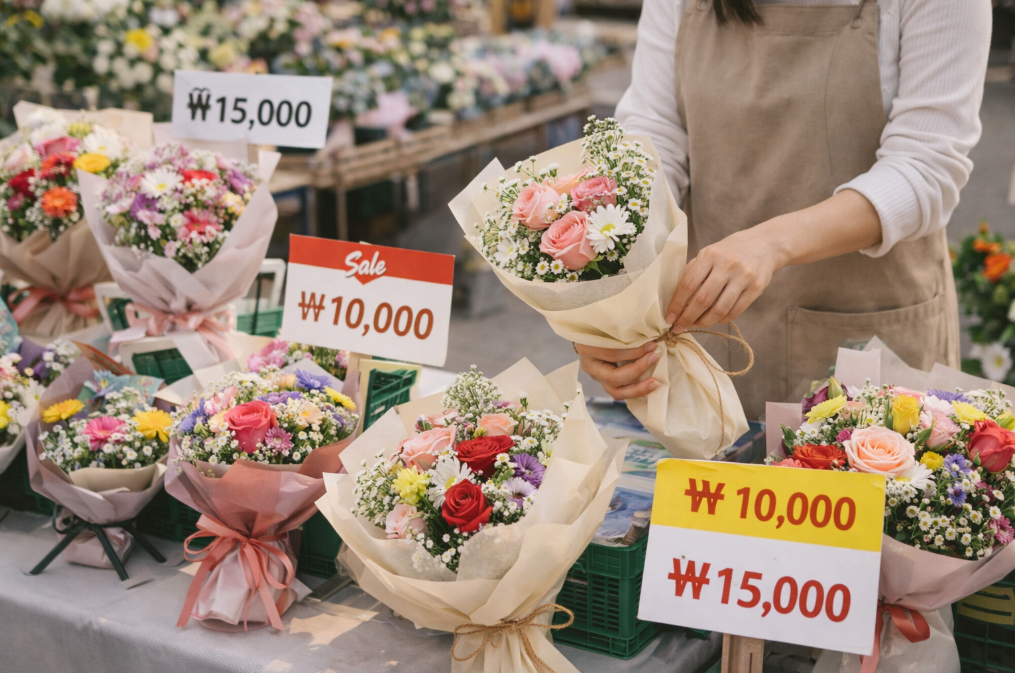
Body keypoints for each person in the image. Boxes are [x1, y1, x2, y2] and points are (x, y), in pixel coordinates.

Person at [575, 0, 993, 419]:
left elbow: (926, 166)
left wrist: (769, 245)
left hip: (865, 330)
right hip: (707, 328)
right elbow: (654, 134)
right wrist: (608, 298)